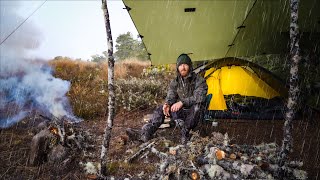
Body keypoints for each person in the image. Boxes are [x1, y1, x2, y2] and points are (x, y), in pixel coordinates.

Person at [127, 53, 208, 144]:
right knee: (161, 108)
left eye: (185, 64)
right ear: (178, 67)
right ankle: (146, 133)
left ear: (190, 66)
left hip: (194, 113)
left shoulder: (199, 80)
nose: (183, 67)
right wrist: (167, 104)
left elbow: (199, 97)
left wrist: (182, 102)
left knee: (198, 107)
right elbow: (171, 95)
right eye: (180, 65)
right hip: (181, 112)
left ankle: (185, 133)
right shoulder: (175, 81)